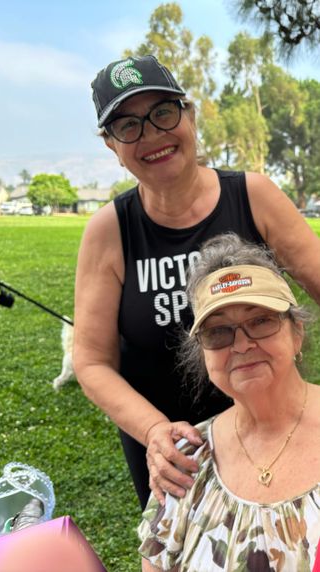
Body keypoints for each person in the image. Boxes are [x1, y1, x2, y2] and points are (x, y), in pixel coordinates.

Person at [73, 54, 320, 510]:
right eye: (128, 126)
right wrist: (152, 431)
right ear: (111, 145)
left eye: (163, 113)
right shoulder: (109, 231)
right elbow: (90, 361)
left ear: (189, 114)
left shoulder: (254, 196)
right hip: (176, 455)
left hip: (275, 427)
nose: (151, 136)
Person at [139, 233, 320, 571]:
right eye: (218, 332)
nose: (240, 345)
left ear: (297, 332)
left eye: (261, 321)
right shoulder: (185, 459)